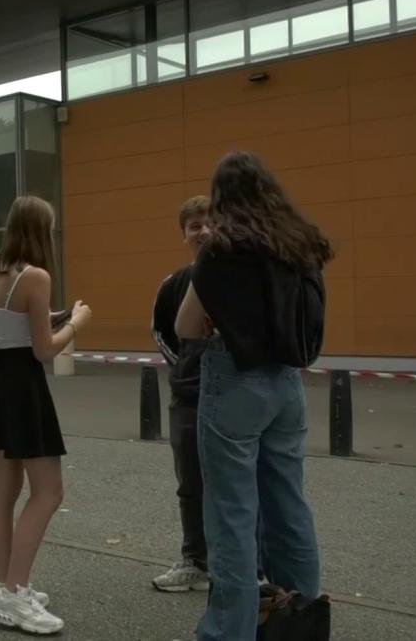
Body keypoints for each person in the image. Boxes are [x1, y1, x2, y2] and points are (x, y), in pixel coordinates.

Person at [176, 152, 329, 641]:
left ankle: (229, 631)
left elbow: (185, 326)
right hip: (287, 383)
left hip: (234, 380)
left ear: (222, 197)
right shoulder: (298, 245)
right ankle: (298, 614)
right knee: (288, 502)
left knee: (231, 514)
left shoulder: (221, 252)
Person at [0, 195, 93, 635]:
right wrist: (77, 323)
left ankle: (7, 587)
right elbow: (43, 348)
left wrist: (54, 316)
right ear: (39, 231)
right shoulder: (36, 276)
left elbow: (10, 324)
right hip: (22, 387)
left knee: (5, 487)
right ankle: (15, 593)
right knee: (49, 490)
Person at [150, 195, 214, 593]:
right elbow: (160, 331)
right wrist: (185, 369)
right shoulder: (174, 284)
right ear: (184, 236)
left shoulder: (239, 278)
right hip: (188, 399)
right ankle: (195, 561)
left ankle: (250, 566)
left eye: (210, 223)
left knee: (241, 485)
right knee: (190, 483)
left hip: (233, 399)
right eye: (195, 225)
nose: (203, 230)